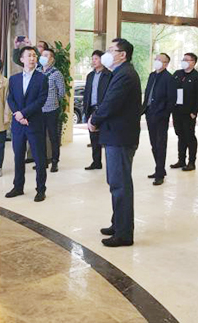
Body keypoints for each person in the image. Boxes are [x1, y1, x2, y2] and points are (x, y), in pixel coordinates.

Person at [88, 38, 142, 247]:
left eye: (111, 50)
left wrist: (94, 120)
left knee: (120, 185)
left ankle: (124, 233)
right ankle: (117, 223)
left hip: (120, 138)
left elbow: (111, 103)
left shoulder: (125, 75)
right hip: (116, 136)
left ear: (122, 55)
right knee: (116, 183)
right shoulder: (119, 72)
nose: (107, 54)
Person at [6, 46, 49, 202]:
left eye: (34, 56)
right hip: (18, 124)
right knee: (18, 156)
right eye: (29, 56)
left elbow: (41, 100)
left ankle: (41, 189)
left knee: (39, 158)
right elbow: (10, 98)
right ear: (22, 59)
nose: (32, 58)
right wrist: (18, 115)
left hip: (34, 123)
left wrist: (23, 114)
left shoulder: (42, 78)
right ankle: (18, 187)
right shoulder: (14, 79)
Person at [144, 53, 176, 186]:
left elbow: (172, 99)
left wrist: (165, 114)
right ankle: (159, 168)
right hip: (149, 113)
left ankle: (159, 174)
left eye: (160, 60)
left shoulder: (169, 78)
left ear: (166, 64)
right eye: (156, 59)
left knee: (160, 144)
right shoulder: (152, 75)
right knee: (153, 144)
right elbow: (147, 93)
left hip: (161, 115)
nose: (156, 61)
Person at [170, 53, 198, 172]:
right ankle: (181, 160)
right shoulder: (177, 74)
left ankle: (191, 162)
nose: (184, 61)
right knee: (180, 135)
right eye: (183, 59)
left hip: (188, 112)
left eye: (187, 59)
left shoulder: (197, 78)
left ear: (193, 62)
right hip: (177, 111)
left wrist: (194, 112)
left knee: (189, 136)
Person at [84, 50, 112, 170]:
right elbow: (87, 93)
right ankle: (96, 162)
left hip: (103, 109)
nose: (93, 61)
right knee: (93, 137)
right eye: (92, 59)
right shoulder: (90, 76)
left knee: (105, 137)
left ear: (102, 60)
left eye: (96, 58)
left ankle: (110, 163)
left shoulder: (109, 75)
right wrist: (86, 109)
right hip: (92, 109)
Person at [39, 48, 67, 173]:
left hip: (52, 109)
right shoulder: (37, 72)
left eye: (46, 55)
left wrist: (53, 100)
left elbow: (61, 92)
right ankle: (43, 161)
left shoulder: (57, 73)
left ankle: (55, 161)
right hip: (39, 110)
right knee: (40, 137)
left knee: (53, 137)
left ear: (52, 59)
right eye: (42, 55)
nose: (43, 57)